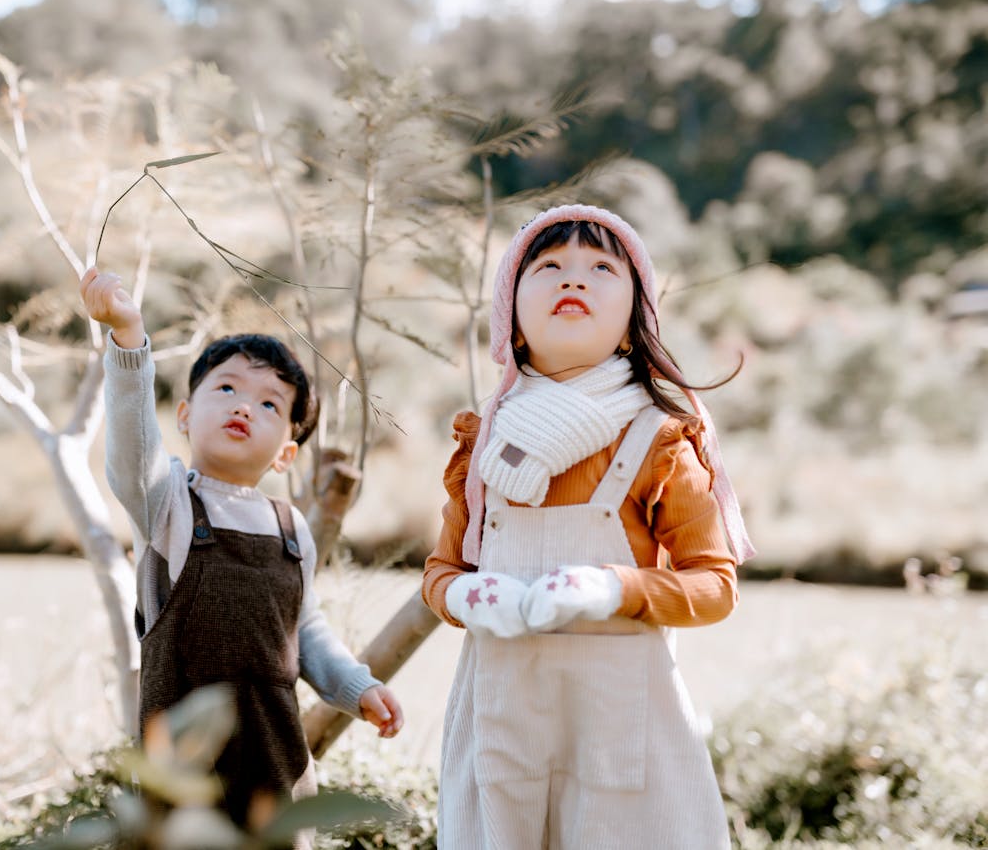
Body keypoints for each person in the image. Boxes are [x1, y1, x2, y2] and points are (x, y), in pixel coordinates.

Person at [421, 205, 755, 849]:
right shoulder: (483, 446)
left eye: (602, 267)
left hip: (623, 730)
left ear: (634, 323)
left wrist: (613, 589)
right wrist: (469, 595)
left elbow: (715, 586)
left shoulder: (659, 439)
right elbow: (441, 574)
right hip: (502, 722)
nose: (573, 280)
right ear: (509, 319)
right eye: (548, 267)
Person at [79, 266, 404, 836]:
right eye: (226, 388)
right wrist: (128, 342)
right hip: (184, 766)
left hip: (274, 758)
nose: (244, 406)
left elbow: (306, 630)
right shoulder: (168, 505)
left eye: (270, 404)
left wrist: (357, 687)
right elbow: (132, 452)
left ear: (286, 454)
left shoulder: (290, 526)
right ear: (184, 416)